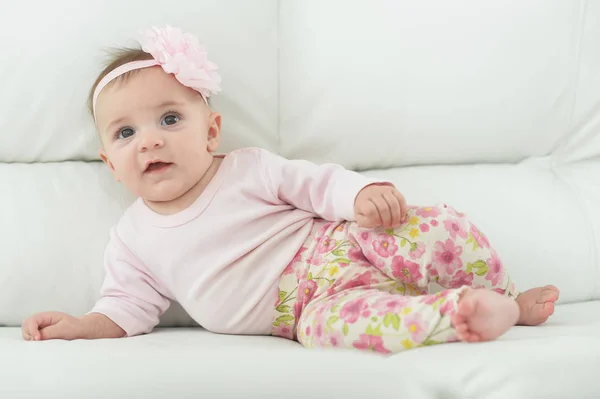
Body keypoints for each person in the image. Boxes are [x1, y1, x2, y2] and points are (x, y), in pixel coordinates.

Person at [21, 26, 559, 354]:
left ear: (211, 132)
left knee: (431, 228)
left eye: (168, 118)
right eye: (125, 133)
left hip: (343, 244)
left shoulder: (248, 169)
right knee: (345, 333)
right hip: (305, 312)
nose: (149, 142)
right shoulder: (133, 237)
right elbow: (126, 306)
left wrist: (361, 195)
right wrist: (80, 326)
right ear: (110, 165)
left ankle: (505, 292)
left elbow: (315, 183)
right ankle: (462, 313)